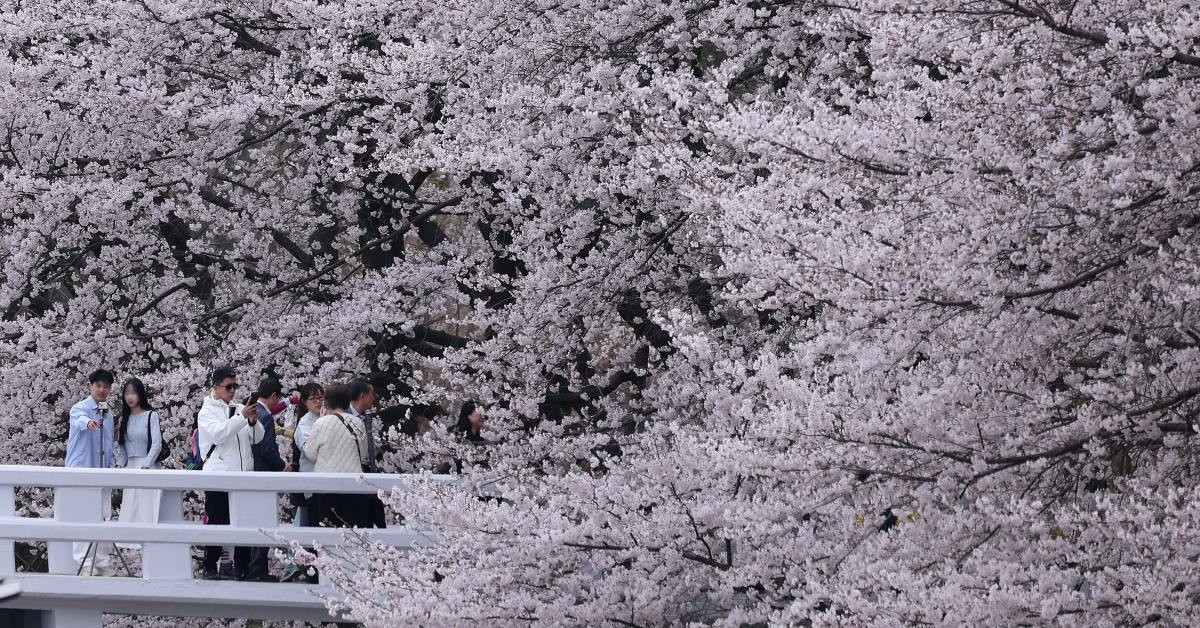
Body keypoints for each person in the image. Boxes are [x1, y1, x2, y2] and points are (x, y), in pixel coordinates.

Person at [197, 367, 264, 581]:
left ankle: (242, 567)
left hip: (243, 473)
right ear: (216, 387)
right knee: (217, 520)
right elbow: (219, 434)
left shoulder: (240, 408)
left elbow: (257, 438)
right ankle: (210, 566)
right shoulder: (206, 411)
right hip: (219, 473)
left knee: (243, 522)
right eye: (228, 387)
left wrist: (252, 421)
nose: (232, 391)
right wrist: (241, 418)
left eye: (235, 386)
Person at [66, 369, 117, 576]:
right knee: (82, 516)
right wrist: (88, 423)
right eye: (98, 386)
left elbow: (109, 442)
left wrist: (112, 466)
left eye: (106, 387)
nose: (102, 390)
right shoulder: (80, 408)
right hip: (82, 469)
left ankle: (102, 561)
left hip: (102, 470)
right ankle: (84, 562)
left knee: (104, 515)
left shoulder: (108, 413)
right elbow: (79, 419)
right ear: (90, 386)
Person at [303, 384, 376, 528]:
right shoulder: (358, 423)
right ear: (347, 401)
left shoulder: (320, 423)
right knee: (352, 530)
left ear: (327, 402)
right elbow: (363, 454)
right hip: (353, 484)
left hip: (325, 485)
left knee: (326, 530)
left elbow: (310, 454)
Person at [242, 379, 287, 581]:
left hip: (249, 472)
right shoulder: (265, 417)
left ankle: (251, 568)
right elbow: (267, 449)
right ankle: (257, 570)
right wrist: (284, 467)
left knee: (252, 520)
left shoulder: (249, 409)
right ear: (274, 396)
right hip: (263, 474)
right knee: (264, 521)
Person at [281, 382, 323, 582]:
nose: (318, 401)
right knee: (310, 526)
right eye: (313, 398)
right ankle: (305, 566)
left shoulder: (327, 418)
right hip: (312, 482)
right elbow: (310, 451)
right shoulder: (305, 424)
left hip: (325, 481)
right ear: (305, 403)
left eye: (321, 397)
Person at [114, 378, 163, 548]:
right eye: (126, 393)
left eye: (133, 392)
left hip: (148, 466)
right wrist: (119, 466)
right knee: (131, 506)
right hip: (131, 467)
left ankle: (151, 543)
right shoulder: (123, 419)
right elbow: (122, 449)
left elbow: (156, 444)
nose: (130, 397)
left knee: (148, 508)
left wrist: (146, 466)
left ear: (140, 394)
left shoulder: (151, 415)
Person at [347, 378, 379, 471]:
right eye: (372, 394)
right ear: (362, 396)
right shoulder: (343, 417)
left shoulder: (366, 418)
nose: (374, 397)